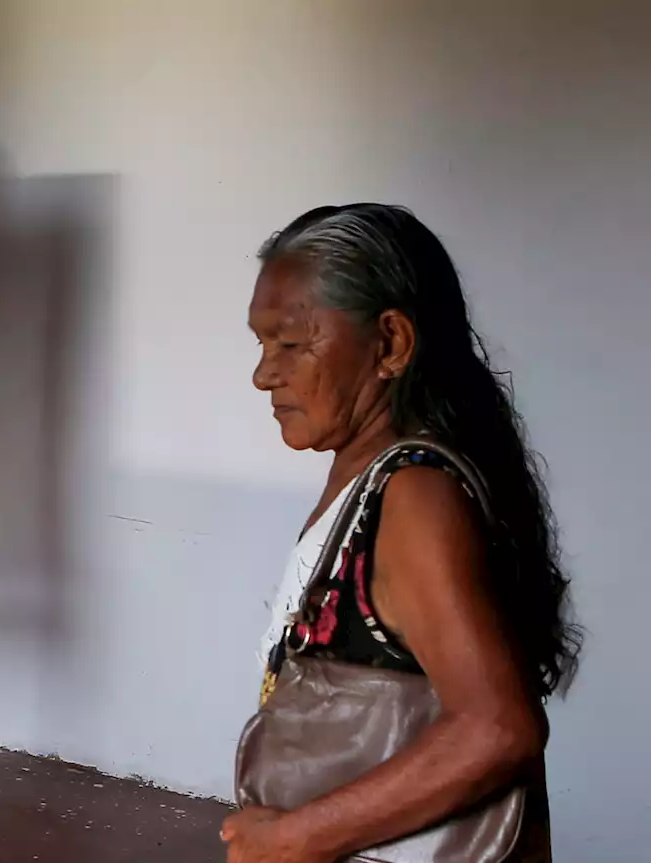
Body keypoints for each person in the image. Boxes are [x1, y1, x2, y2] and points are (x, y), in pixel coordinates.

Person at [222, 204, 580, 861]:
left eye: (291, 343)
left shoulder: (414, 497)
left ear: (390, 343)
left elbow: (497, 727)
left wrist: (295, 838)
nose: (264, 373)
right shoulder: (374, 483)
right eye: (262, 344)